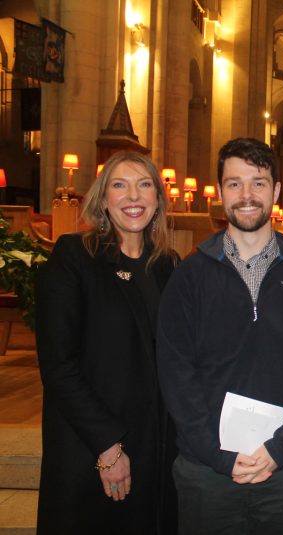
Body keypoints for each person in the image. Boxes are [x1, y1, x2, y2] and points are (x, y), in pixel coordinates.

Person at [156, 138, 283, 534]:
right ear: (220, 192)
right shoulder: (190, 276)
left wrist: (279, 450)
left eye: (258, 183)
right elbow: (175, 374)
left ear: (275, 191)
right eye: (234, 183)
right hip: (208, 472)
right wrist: (218, 454)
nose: (246, 195)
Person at [35, 151, 179, 534]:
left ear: (158, 199)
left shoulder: (168, 265)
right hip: (93, 447)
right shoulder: (75, 257)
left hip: (155, 445)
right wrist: (108, 446)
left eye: (144, 185)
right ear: (102, 199)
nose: (133, 196)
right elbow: (58, 365)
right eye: (120, 185)